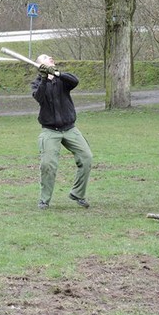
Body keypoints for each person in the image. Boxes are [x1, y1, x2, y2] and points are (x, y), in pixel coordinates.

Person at [31, 54, 93, 210]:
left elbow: (75, 80)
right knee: (47, 164)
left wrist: (56, 73)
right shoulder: (37, 83)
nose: (50, 57)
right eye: (46, 57)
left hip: (70, 128)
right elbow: (39, 97)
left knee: (87, 157)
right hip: (50, 131)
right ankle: (44, 200)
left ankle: (77, 194)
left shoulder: (62, 79)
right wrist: (45, 78)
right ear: (40, 65)